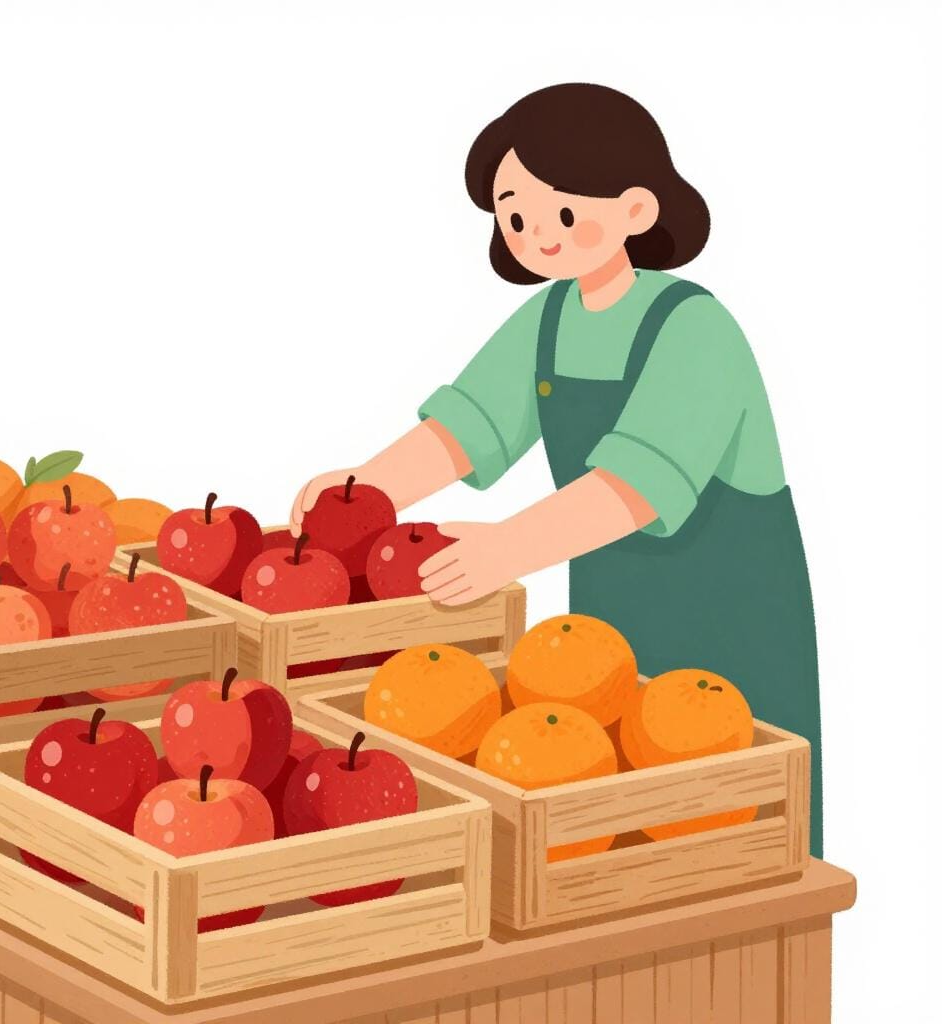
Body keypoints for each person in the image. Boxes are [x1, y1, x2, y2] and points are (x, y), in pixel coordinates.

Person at [289, 83, 823, 857]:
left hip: (730, 624)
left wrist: (504, 550)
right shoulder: (549, 318)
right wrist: (363, 494)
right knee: (603, 805)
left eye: (563, 213)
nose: (537, 235)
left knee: (727, 818)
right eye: (516, 215)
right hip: (605, 635)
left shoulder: (697, 330)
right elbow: (464, 428)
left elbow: (635, 487)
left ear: (638, 209)